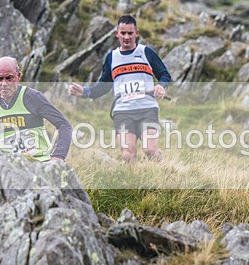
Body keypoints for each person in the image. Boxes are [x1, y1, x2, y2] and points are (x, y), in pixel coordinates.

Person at [68, 15, 171, 163]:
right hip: (122, 111)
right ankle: (135, 184)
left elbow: (164, 74)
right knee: (128, 154)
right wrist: (85, 92)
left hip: (147, 108)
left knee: (150, 150)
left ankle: (164, 173)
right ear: (117, 34)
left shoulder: (145, 52)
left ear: (137, 33)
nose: (127, 37)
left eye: (130, 33)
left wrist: (161, 85)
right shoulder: (112, 57)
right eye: (123, 33)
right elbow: (103, 86)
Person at [0, 56, 71, 162]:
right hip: (10, 167)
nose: (4, 84)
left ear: (18, 76)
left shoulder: (33, 97)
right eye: (0, 78)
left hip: (40, 163)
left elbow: (64, 125)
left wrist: (58, 156)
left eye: (9, 78)